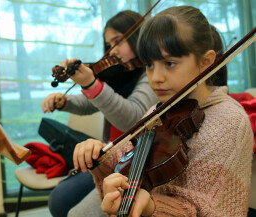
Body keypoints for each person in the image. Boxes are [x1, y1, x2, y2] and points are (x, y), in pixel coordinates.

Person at [73, 6, 254, 217]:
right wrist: (99, 155)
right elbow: (128, 157)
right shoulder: (157, 111)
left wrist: (151, 207)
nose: (156, 78)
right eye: (150, 65)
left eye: (169, 63)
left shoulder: (228, 120)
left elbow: (205, 210)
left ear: (206, 62)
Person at [41, 10, 158, 217]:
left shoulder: (151, 74)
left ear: (137, 37)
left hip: (133, 162)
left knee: (65, 207)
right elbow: (91, 103)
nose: (112, 51)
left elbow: (133, 118)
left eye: (118, 41)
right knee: (58, 200)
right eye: (108, 44)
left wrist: (92, 84)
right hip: (109, 155)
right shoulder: (120, 74)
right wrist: (64, 102)